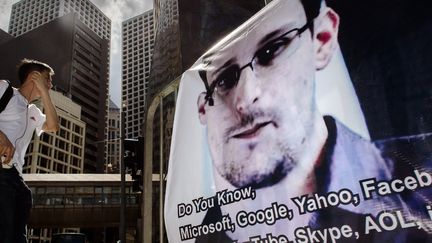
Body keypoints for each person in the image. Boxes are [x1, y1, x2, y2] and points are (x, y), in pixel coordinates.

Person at [194, 0, 431, 242]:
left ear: (323, 40)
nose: (245, 98)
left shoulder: (416, 191)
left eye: (272, 50)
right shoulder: (209, 229)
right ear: (203, 108)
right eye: (224, 79)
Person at [0, 59, 59, 243]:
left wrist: (45, 93)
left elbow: (53, 126)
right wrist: (1, 136)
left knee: (19, 236)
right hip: (1, 173)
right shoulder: (4, 89)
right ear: (34, 76)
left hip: (16, 177)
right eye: (47, 79)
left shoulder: (34, 110)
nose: (50, 84)